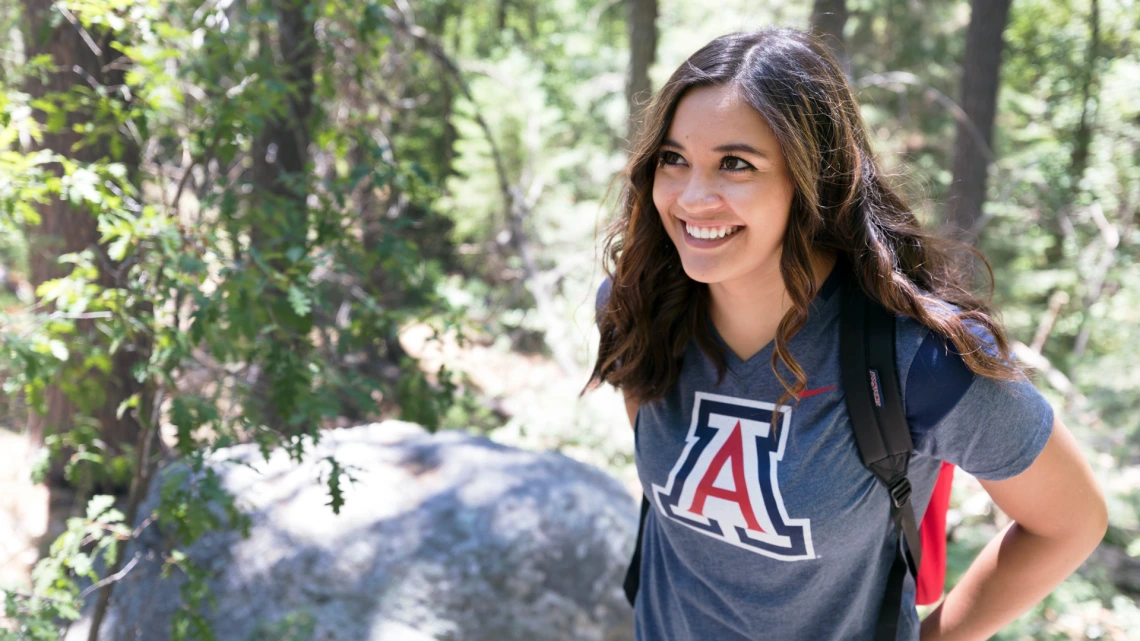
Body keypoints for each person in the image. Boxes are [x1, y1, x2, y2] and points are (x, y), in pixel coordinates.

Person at [582, 27, 1107, 641]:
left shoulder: (918, 359)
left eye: (736, 164)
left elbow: (1071, 521)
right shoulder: (635, 308)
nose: (693, 197)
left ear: (812, 180)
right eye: (673, 159)